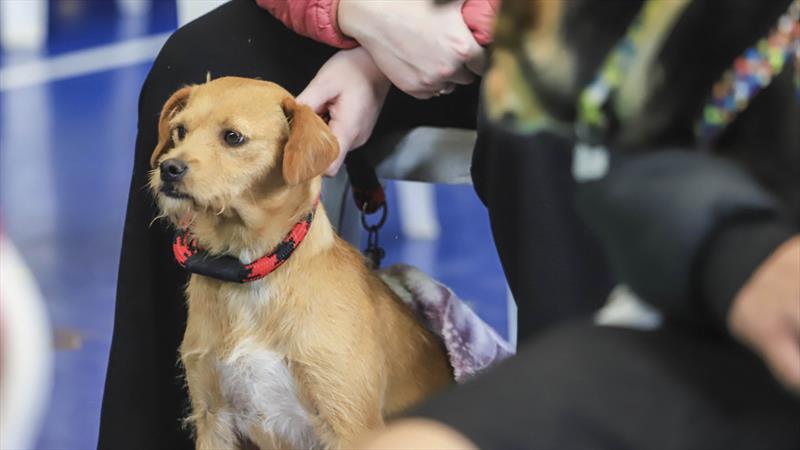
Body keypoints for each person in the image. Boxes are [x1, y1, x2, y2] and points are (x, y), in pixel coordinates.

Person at [99, 0, 799, 449]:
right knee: (191, 63)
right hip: (376, 14)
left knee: (547, 124)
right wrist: (356, 15)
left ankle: (578, 406)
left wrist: (429, 40)